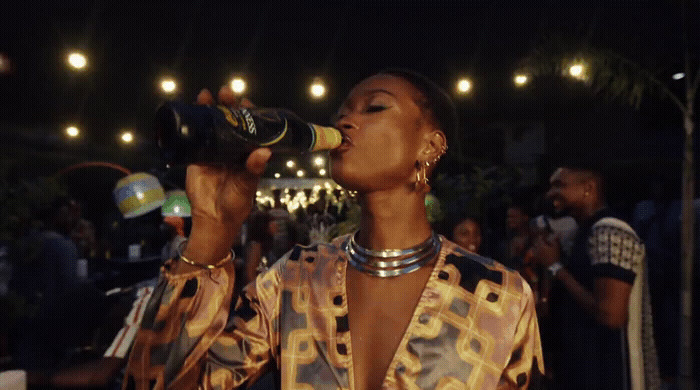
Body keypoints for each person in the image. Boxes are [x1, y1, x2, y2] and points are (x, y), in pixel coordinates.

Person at [124, 69, 544, 389]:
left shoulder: (499, 295)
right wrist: (212, 231)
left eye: (374, 108)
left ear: (429, 146)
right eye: (342, 113)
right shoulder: (294, 279)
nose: (346, 122)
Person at [532, 166, 660, 390]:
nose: (550, 193)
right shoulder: (584, 232)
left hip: (613, 374)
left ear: (588, 188)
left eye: (560, 185)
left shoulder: (609, 229)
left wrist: (555, 266)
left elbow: (611, 315)